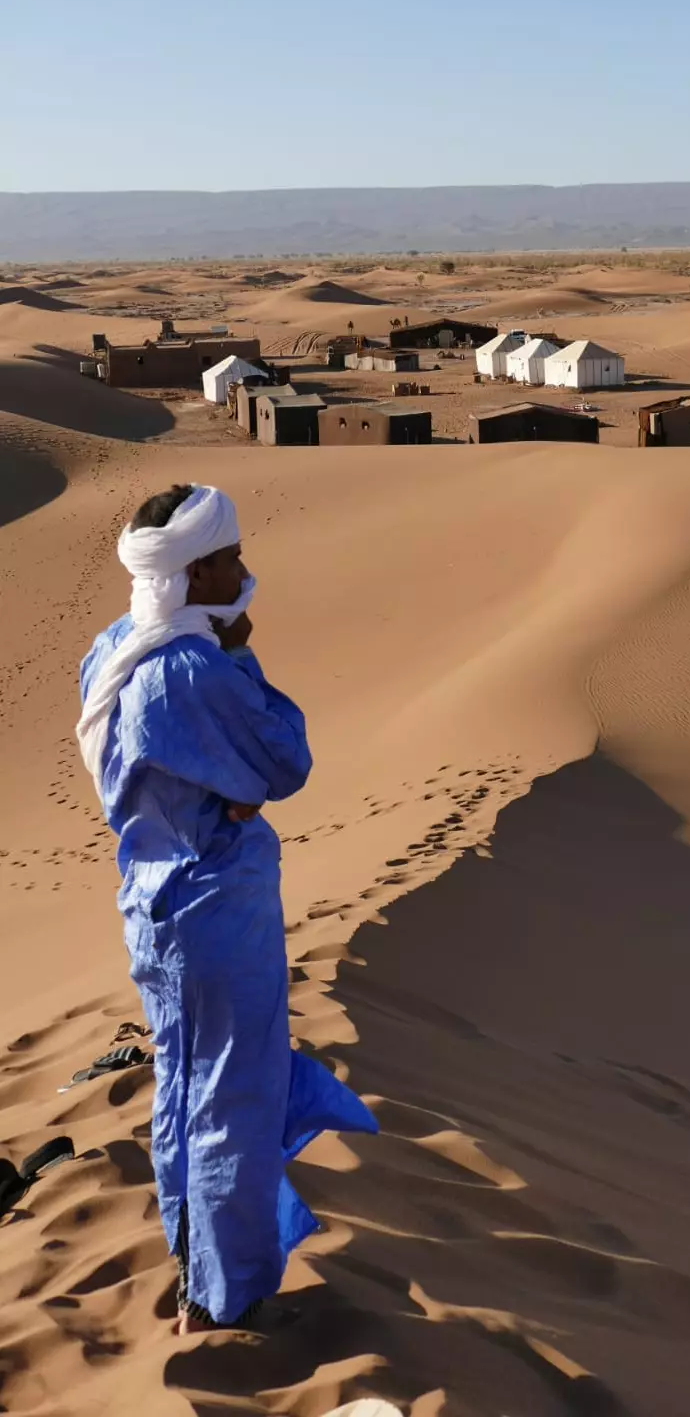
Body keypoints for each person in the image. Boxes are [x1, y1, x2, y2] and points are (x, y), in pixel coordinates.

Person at [77, 482, 376, 1333]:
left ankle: (196, 1265)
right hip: (210, 907)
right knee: (231, 1101)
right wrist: (240, 659)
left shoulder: (116, 649)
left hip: (159, 902)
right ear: (196, 569)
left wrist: (224, 783)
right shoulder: (190, 670)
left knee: (186, 1089)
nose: (246, 570)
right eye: (232, 558)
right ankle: (228, 1294)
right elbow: (283, 760)